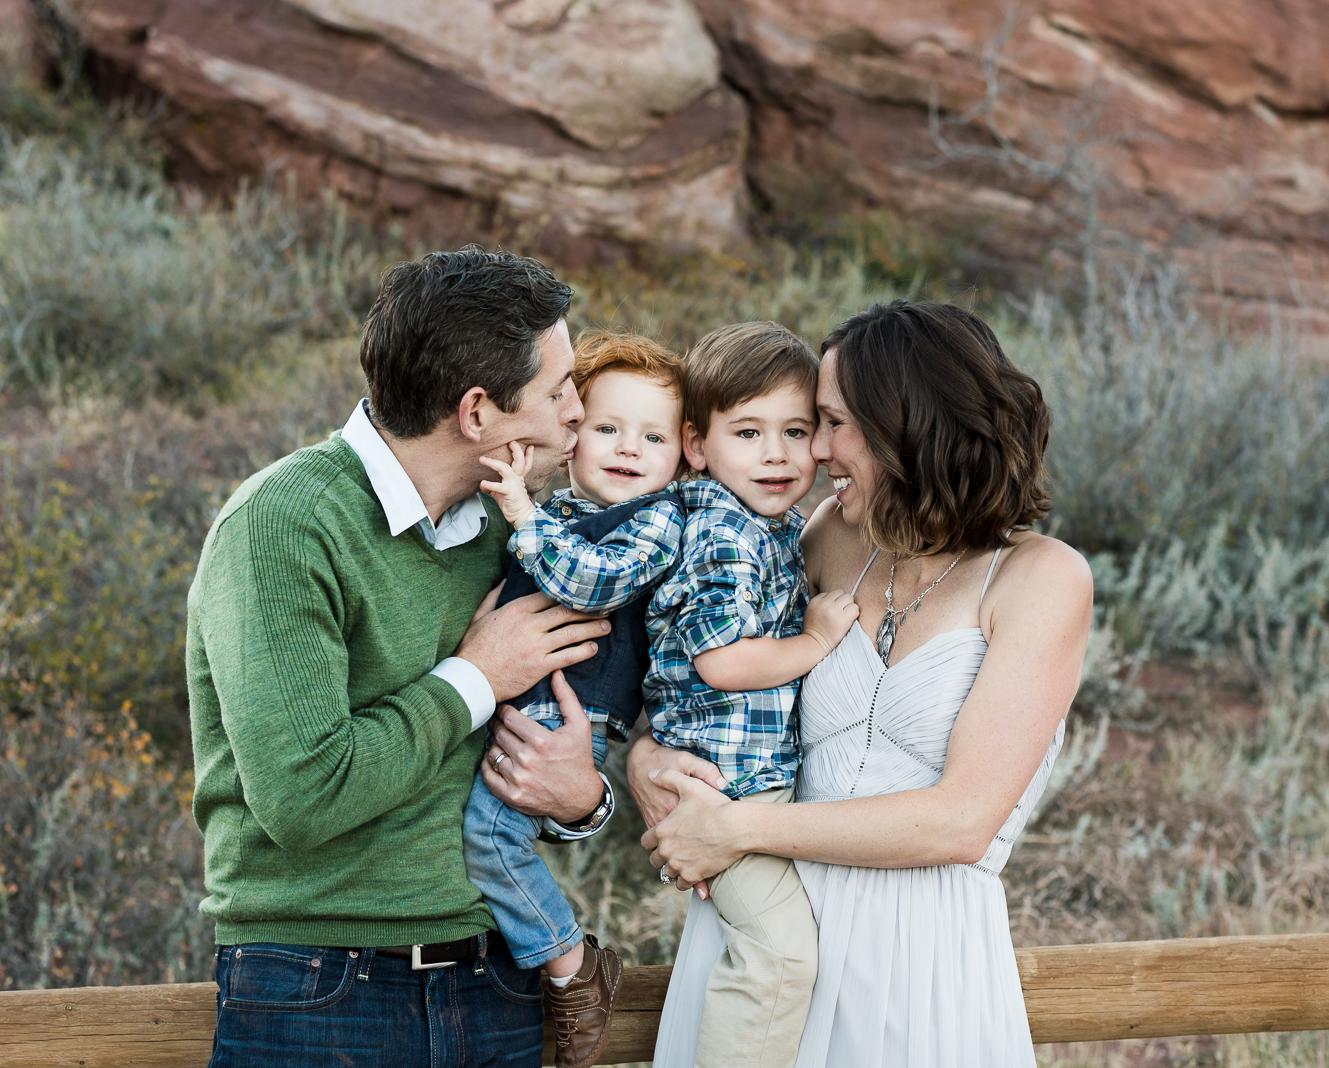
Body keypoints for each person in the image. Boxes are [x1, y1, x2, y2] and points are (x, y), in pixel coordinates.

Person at [186, 248, 623, 1068]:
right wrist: (477, 676)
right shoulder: (284, 524)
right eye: (558, 388)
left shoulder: (514, 527)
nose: (578, 408)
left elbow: (528, 757)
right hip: (318, 991)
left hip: (497, 984)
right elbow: (303, 797)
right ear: (477, 413)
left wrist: (581, 799)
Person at [631, 300, 1094, 1068]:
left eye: (832, 422)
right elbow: (708, 679)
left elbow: (961, 821)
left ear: (903, 425)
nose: (814, 450)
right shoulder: (830, 539)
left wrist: (738, 829)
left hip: (916, 959)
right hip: (765, 939)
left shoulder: (1040, 578)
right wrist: (646, 759)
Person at [466, 330, 688, 1068]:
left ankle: (572, 969)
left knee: (492, 838)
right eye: (607, 428)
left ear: (683, 453)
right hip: (520, 702)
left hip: (571, 711)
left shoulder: (657, 520)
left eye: (652, 436)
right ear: (571, 438)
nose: (629, 448)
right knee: (482, 829)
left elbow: (591, 582)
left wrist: (523, 516)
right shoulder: (557, 512)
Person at [642, 321, 859, 1068]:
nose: (778, 454)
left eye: (797, 431)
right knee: (780, 958)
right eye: (749, 432)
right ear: (697, 447)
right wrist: (816, 644)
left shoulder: (770, 524)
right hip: (729, 790)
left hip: (745, 786)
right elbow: (722, 662)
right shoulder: (724, 532)